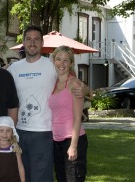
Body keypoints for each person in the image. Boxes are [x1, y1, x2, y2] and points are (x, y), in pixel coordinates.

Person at [7, 25, 88, 182]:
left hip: (44, 132)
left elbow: (72, 81)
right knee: (23, 175)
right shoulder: (14, 69)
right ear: (23, 42)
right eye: (28, 39)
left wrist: (86, 89)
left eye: (37, 39)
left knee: (42, 177)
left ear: (42, 43)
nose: (32, 43)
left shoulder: (52, 66)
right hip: (19, 132)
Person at [49, 45, 88, 182]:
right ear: (54, 61)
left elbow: (78, 118)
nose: (62, 63)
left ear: (71, 63)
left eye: (66, 60)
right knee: (61, 178)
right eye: (58, 59)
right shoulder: (52, 83)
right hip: (55, 141)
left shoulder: (75, 84)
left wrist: (73, 145)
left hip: (71, 140)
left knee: (73, 179)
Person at [0, 116, 25, 182]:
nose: (5, 134)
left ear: (12, 132)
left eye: (8, 130)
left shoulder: (15, 147)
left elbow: (20, 166)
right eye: (1, 130)